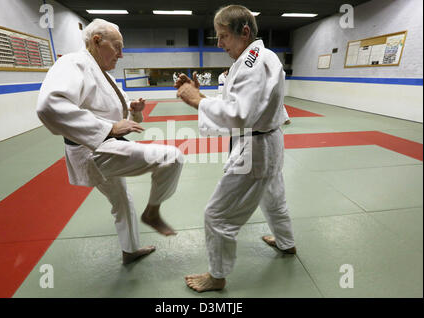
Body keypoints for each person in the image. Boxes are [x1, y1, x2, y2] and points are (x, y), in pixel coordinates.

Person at [37, 19, 183, 265]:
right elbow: (49, 105)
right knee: (173, 157)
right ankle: (153, 211)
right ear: (97, 41)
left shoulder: (105, 76)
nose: (121, 55)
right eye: (117, 47)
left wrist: (134, 111)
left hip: (103, 146)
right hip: (94, 151)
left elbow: (124, 117)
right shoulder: (72, 63)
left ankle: (130, 250)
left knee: (122, 202)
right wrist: (108, 127)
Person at [175, 5, 296, 292]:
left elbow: (241, 115)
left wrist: (197, 101)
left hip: (255, 149)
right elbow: (240, 106)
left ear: (244, 32)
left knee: (217, 215)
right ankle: (286, 243)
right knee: (274, 200)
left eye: (223, 36)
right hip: (267, 142)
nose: (218, 44)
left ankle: (217, 276)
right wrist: (201, 95)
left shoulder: (253, 62)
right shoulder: (254, 58)